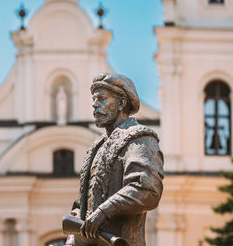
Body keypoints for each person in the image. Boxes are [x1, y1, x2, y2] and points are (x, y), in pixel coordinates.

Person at [65, 72, 164, 246]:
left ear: (121, 103)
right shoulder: (96, 148)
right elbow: (81, 206)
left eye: (102, 98)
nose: (95, 105)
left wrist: (104, 211)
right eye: (94, 99)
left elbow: (147, 189)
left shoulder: (140, 138)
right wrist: (72, 240)